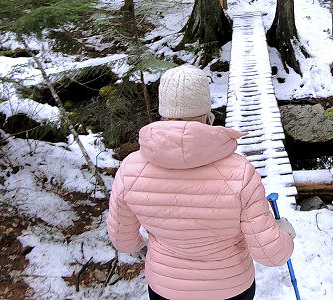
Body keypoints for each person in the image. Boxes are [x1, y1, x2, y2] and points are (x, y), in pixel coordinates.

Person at [107, 64, 296, 300]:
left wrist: (148, 244)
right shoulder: (240, 172)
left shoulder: (130, 170)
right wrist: (285, 234)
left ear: (163, 111)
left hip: (166, 289)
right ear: (207, 112)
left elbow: (123, 241)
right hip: (230, 289)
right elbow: (271, 254)